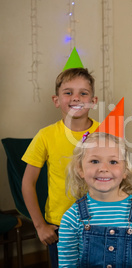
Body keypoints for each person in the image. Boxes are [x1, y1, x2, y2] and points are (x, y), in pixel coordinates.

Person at [22, 61, 99, 267]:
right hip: (61, 224)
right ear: (56, 100)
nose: (76, 97)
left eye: (83, 93)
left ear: (93, 101)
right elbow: (28, 183)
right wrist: (40, 226)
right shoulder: (45, 136)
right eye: (68, 93)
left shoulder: (106, 132)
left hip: (101, 221)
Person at [58, 131, 132, 267]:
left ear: (125, 171)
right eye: (95, 161)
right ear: (80, 169)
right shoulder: (72, 217)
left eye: (113, 161)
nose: (103, 168)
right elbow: (67, 264)